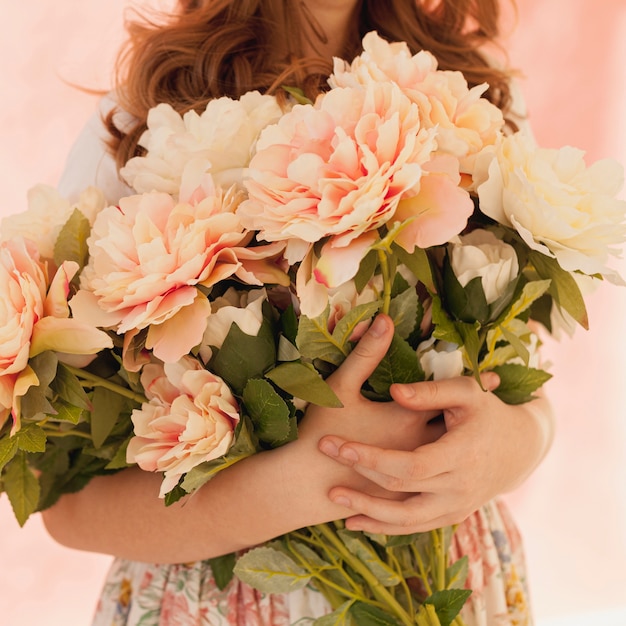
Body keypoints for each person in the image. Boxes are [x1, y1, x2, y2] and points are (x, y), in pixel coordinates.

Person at [41, 0, 555, 624]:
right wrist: (302, 482)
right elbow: (64, 504)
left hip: (448, 576)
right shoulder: (149, 115)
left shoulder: (472, 96)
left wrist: (518, 445)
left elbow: (520, 376)